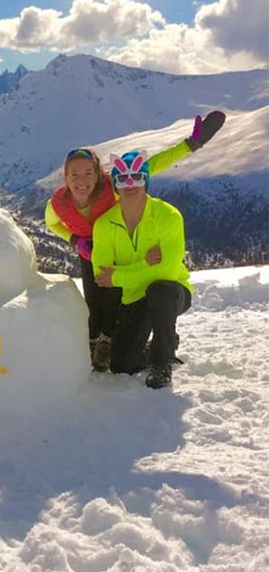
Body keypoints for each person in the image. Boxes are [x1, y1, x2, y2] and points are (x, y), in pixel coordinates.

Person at [45, 111, 224, 372]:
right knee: (96, 302)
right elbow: (52, 224)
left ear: (99, 176)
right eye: (74, 175)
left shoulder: (115, 188)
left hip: (125, 256)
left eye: (88, 174)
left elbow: (149, 167)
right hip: (94, 250)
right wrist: (75, 239)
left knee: (125, 296)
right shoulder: (59, 204)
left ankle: (139, 348)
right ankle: (99, 347)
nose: (81, 181)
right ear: (65, 177)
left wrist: (191, 145)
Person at [92, 149, 193, 389]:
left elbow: (167, 272)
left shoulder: (168, 216)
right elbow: (101, 276)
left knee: (161, 289)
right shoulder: (105, 224)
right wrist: (146, 265)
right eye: (123, 179)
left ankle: (162, 361)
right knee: (122, 365)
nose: (130, 184)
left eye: (137, 177)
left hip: (173, 292)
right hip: (134, 296)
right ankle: (163, 342)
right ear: (115, 185)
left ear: (146, 180)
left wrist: (118, 275)